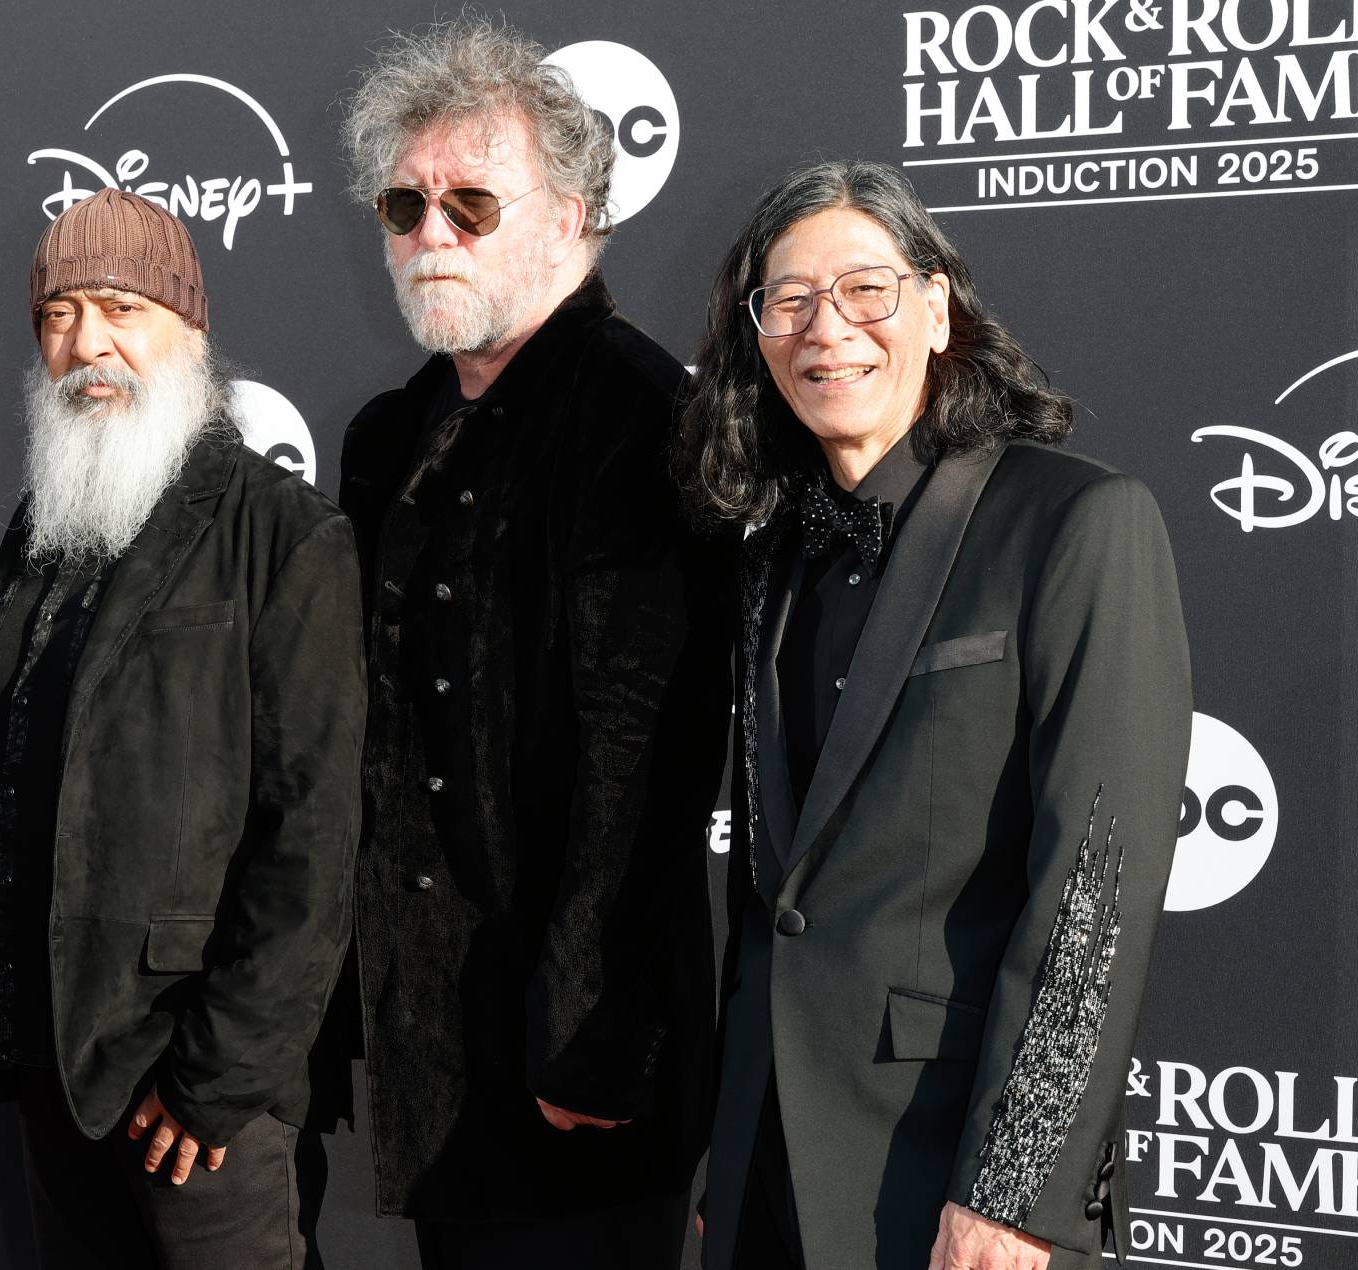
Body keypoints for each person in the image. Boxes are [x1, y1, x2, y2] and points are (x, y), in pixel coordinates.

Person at [675, 159, 1193, 1270]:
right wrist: (729, 1153)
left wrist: (1016, 1196)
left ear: (935, 305)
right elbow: (773, 895)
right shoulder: (769, 560)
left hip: (948, 1175)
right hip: (765, 1165)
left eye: (863, 287)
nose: (828, 329)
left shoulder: (1075, 523)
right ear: (755, 336)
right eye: (788, 299)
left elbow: (1092, 890)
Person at [335, 17, 734, 1267]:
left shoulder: (641, 413)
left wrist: (595, 1028)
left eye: (468, 202)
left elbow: (649, 751)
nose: (430, 234)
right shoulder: (385, 437)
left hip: (579, 1058)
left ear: (571, 213)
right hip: (432, 1044)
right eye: (402, 205)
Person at [0, 187, 364, 1269]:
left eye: (122, 308)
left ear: (190, 329)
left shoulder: (283, 535)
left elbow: (310, 840)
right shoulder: (42, 532)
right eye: (59, 315)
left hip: (196, 1099)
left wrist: (216, 1079)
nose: (89, 345)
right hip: (52, 1075)